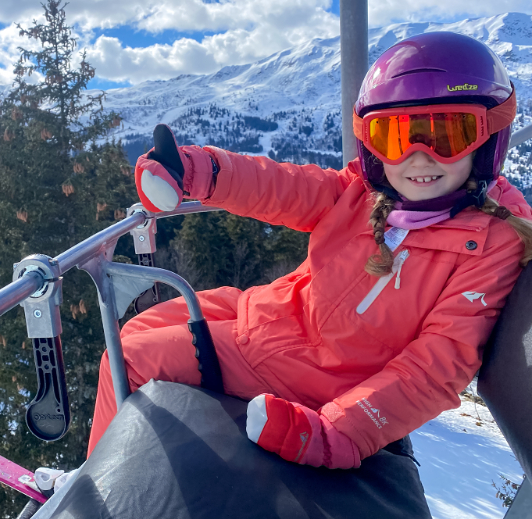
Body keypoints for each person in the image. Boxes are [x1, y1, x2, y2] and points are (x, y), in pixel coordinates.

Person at [87, 31, 532, 469]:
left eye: (446, 134)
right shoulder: (361, 192)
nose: (418, 157)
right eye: (394, 137)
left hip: (311, 375)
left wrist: (343, 433)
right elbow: (280, 186)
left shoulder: (493, 240)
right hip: (271, 319)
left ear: (489, 138)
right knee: (135, 330)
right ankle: (120, 466)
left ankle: (95, 492)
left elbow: (437, 366)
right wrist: (195, 170)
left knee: (126, 360)